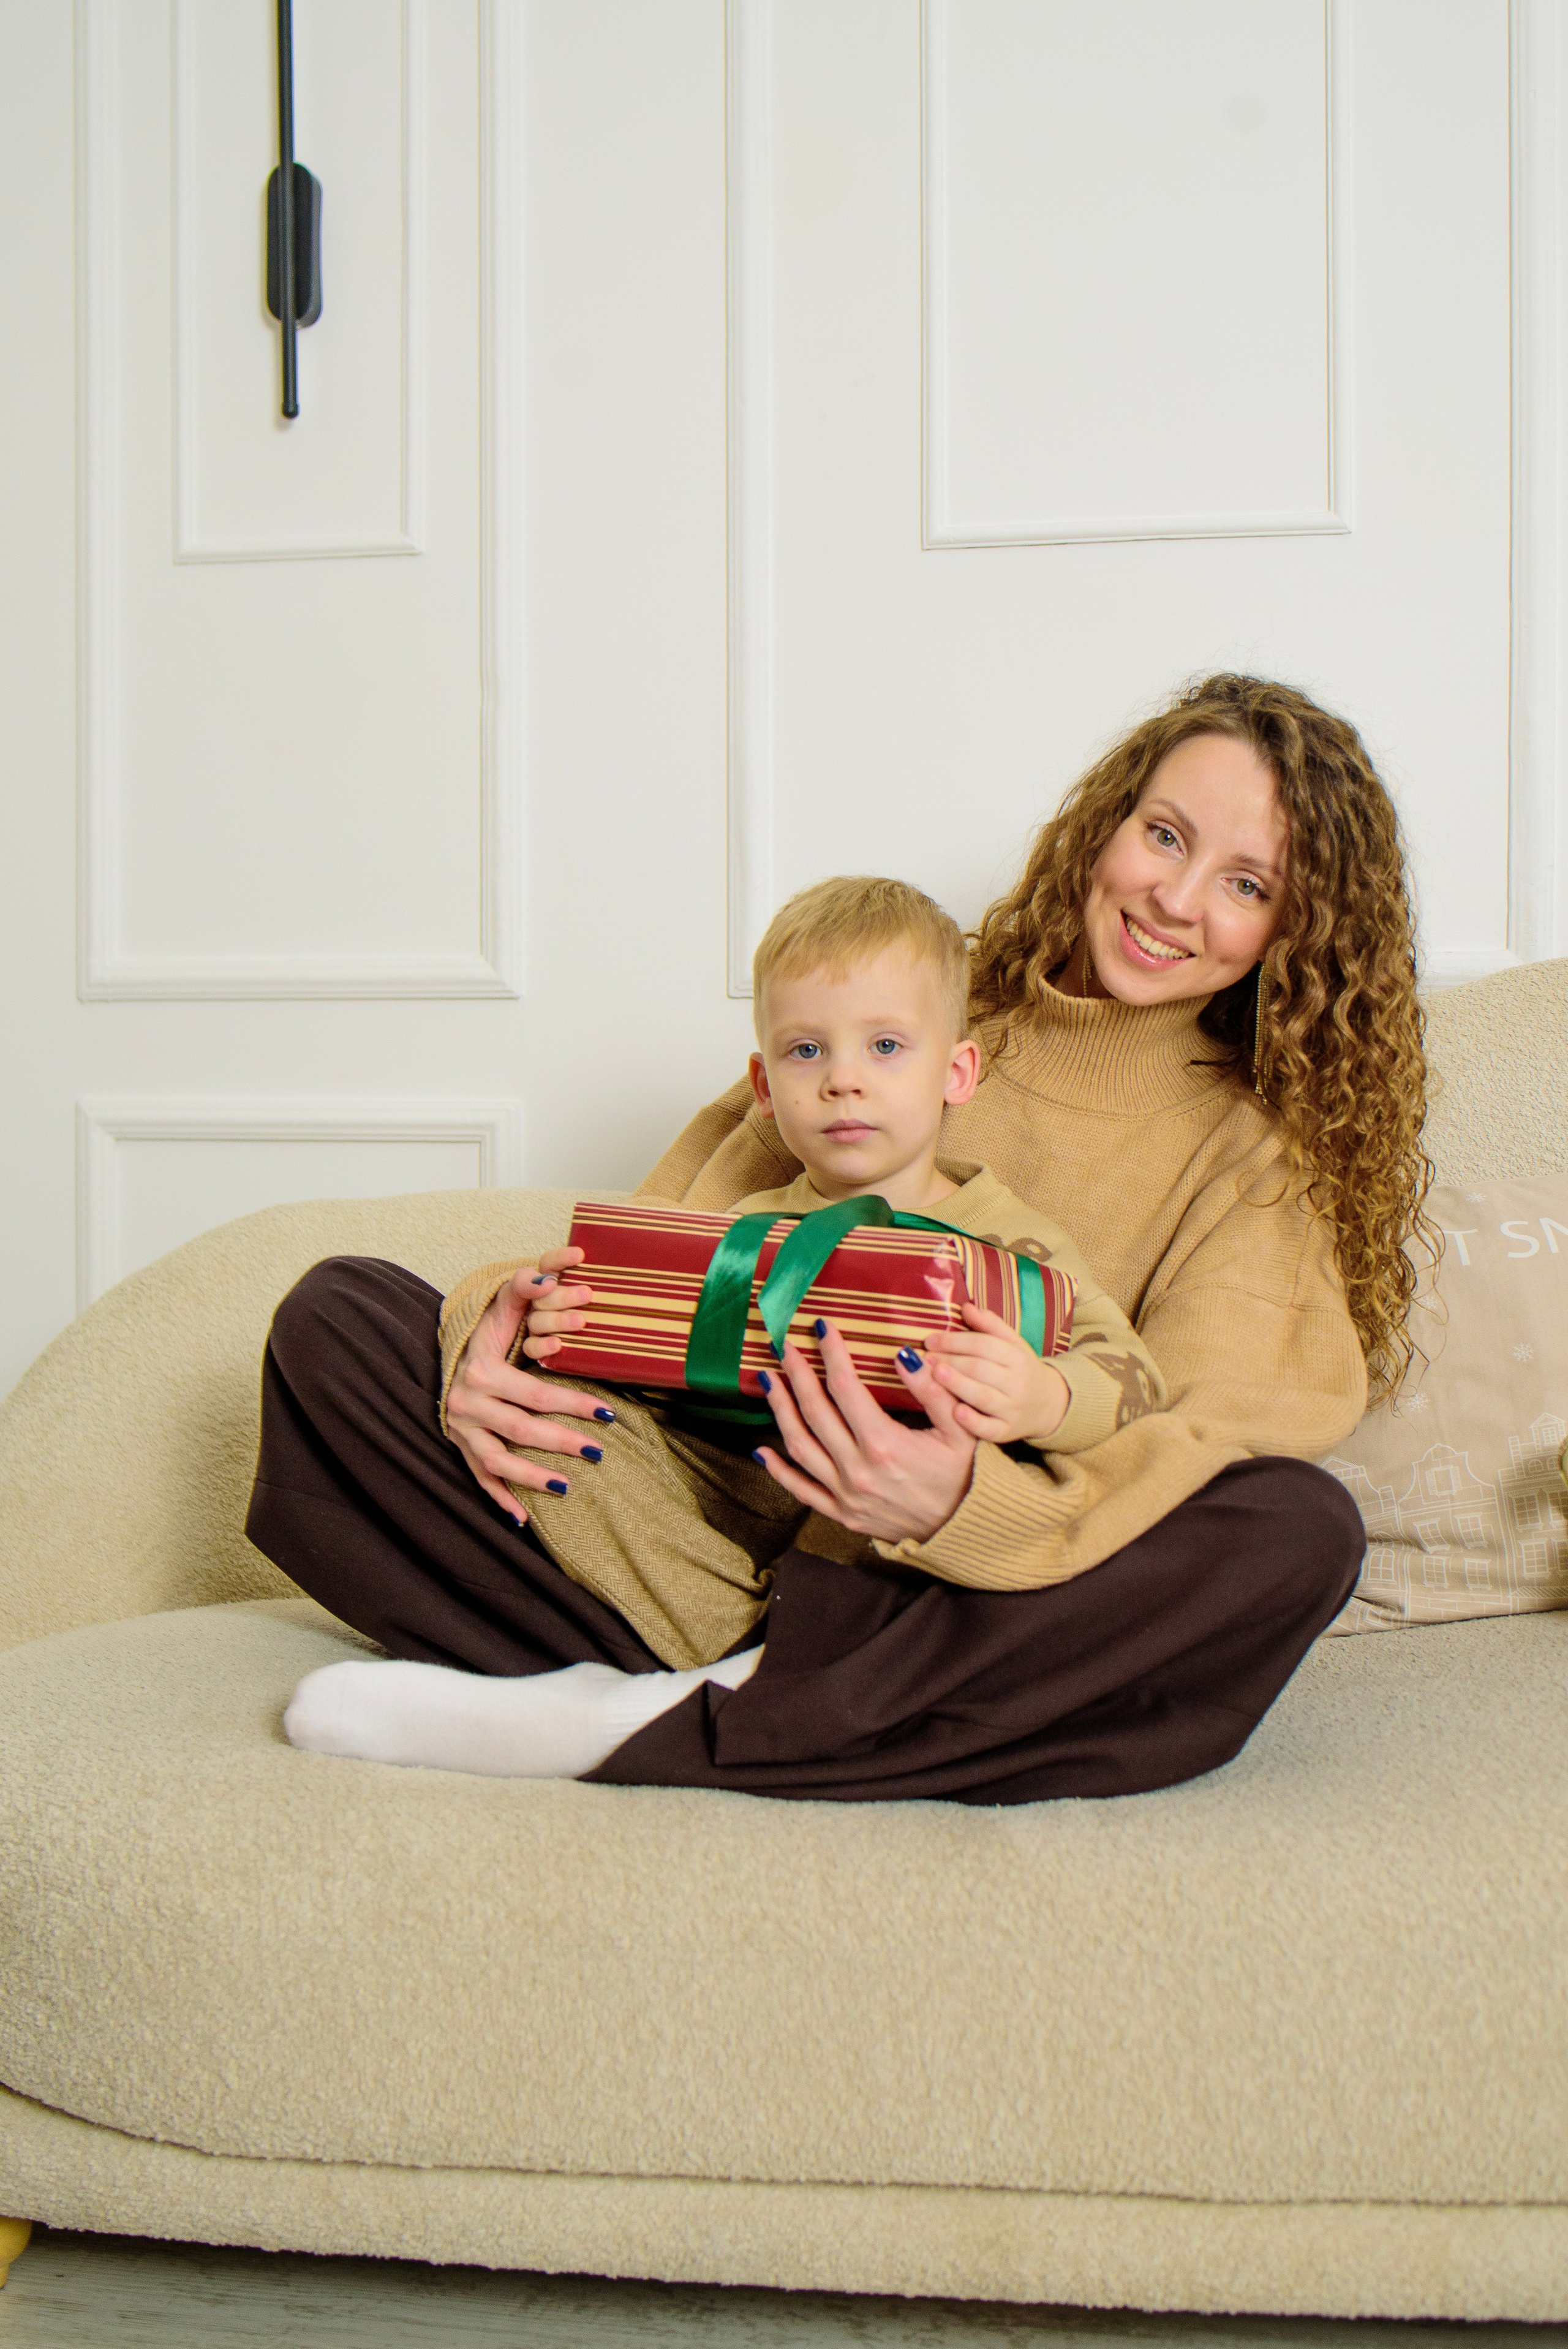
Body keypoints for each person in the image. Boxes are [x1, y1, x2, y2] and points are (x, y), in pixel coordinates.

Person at [250, 671, 1428, 1804]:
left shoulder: (1253, 1157)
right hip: (711, 1552)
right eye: (1166, 836)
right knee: (338, 1321)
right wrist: (491, 1333)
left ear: (1294, 932)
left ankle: (645, 1723)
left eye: (1245, 883)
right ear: (1107, 828)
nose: (1177, 898)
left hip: (957, 1602)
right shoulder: (879, 1033)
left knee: (1295, 1530)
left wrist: (959, 1503)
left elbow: (1201, 1436)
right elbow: (662, 1266)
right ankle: (756, 1707)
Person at [285, 877, 1167, 1770]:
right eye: (806, 1049)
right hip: (691, 1533)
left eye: (887, 1045)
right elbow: (624, 1362)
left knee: (954, 1457)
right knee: (339, 1312)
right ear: (764, 1085)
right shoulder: (739, 1229)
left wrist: (1046, 1395)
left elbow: (1134, 1381)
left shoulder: (1012, 1244)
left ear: (958, 1072)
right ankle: (672, 1675)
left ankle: (701, 1674)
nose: (844, 1078)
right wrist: (548, 1325)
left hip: (858, 1574)